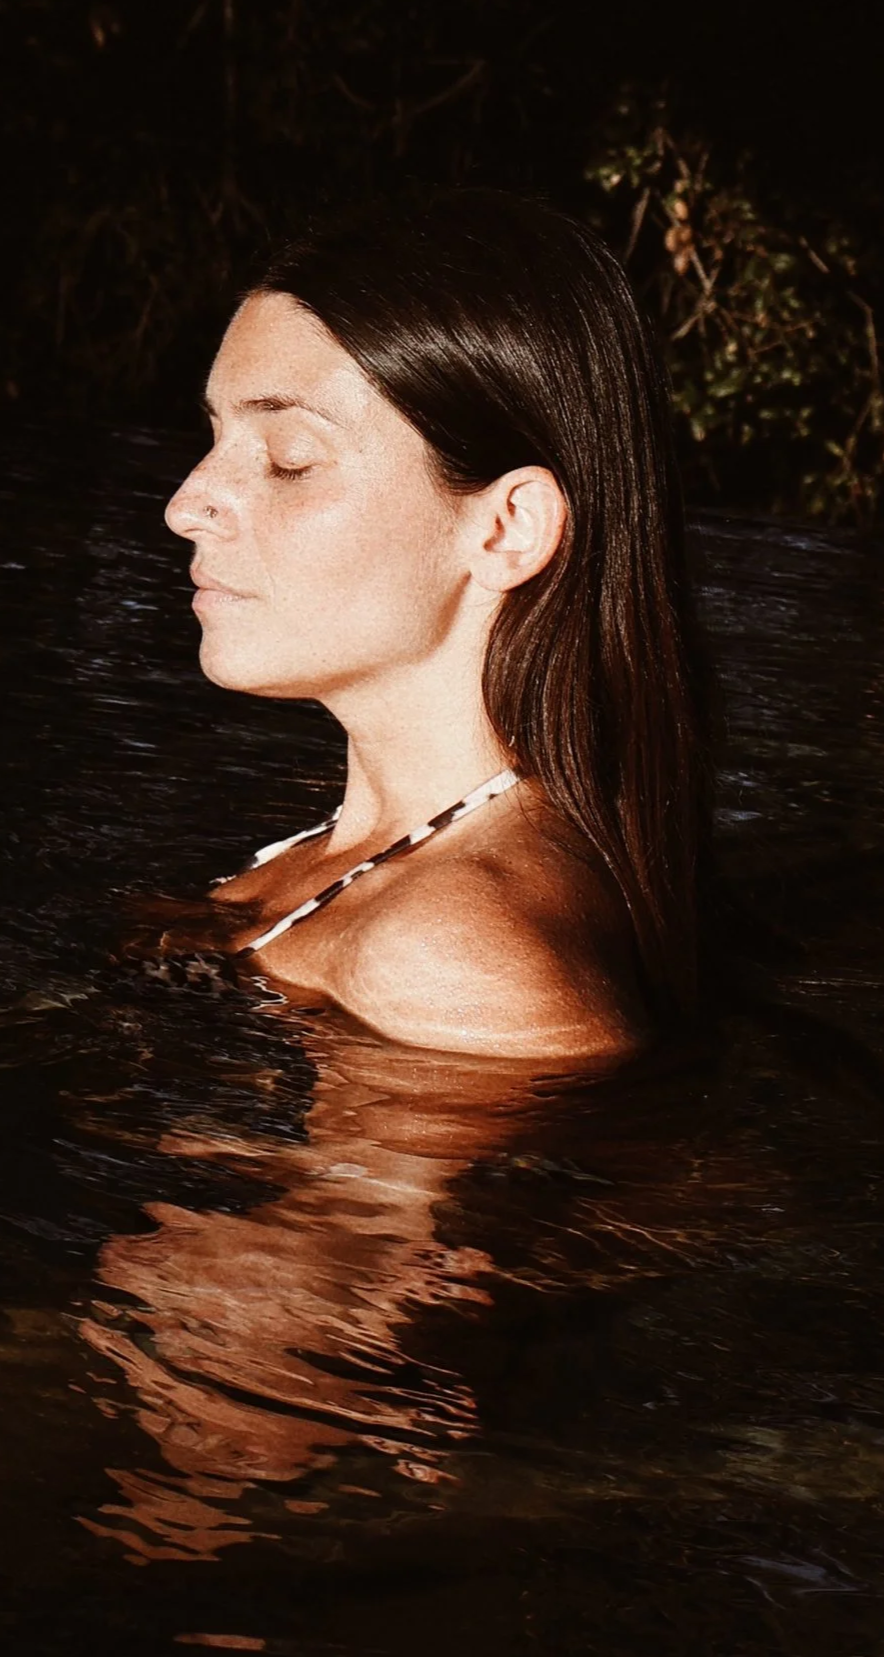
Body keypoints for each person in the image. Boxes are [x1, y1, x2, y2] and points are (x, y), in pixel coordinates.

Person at [161, 190, 709, 1061]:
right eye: (214, 437)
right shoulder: (367, 869)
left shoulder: (447, 954)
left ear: (506, 529)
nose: (186, 505)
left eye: (289, 459)